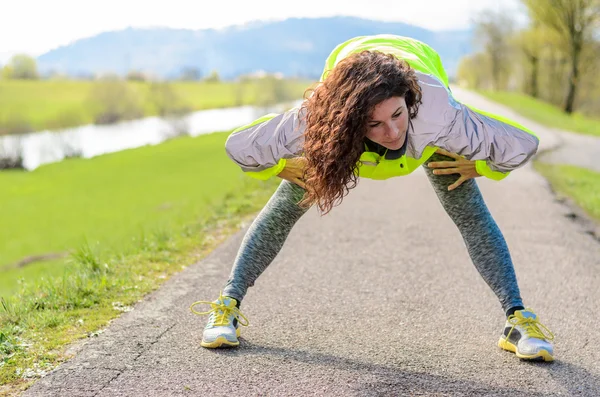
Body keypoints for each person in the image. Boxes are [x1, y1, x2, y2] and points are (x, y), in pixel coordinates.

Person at [190, 34, 555, 361]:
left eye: (397, 115)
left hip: (426, 128)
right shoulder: (320, 121)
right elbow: (240, 147)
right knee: (284, 209)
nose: (393, 132)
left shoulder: (440, 118)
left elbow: (522, 144)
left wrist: (481, 167)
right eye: (375, 124)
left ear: (408, 101)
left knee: (471, 214)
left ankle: (519, 320)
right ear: (351, 122)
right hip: (340, 135)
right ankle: (226, 307)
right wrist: (280, 167)